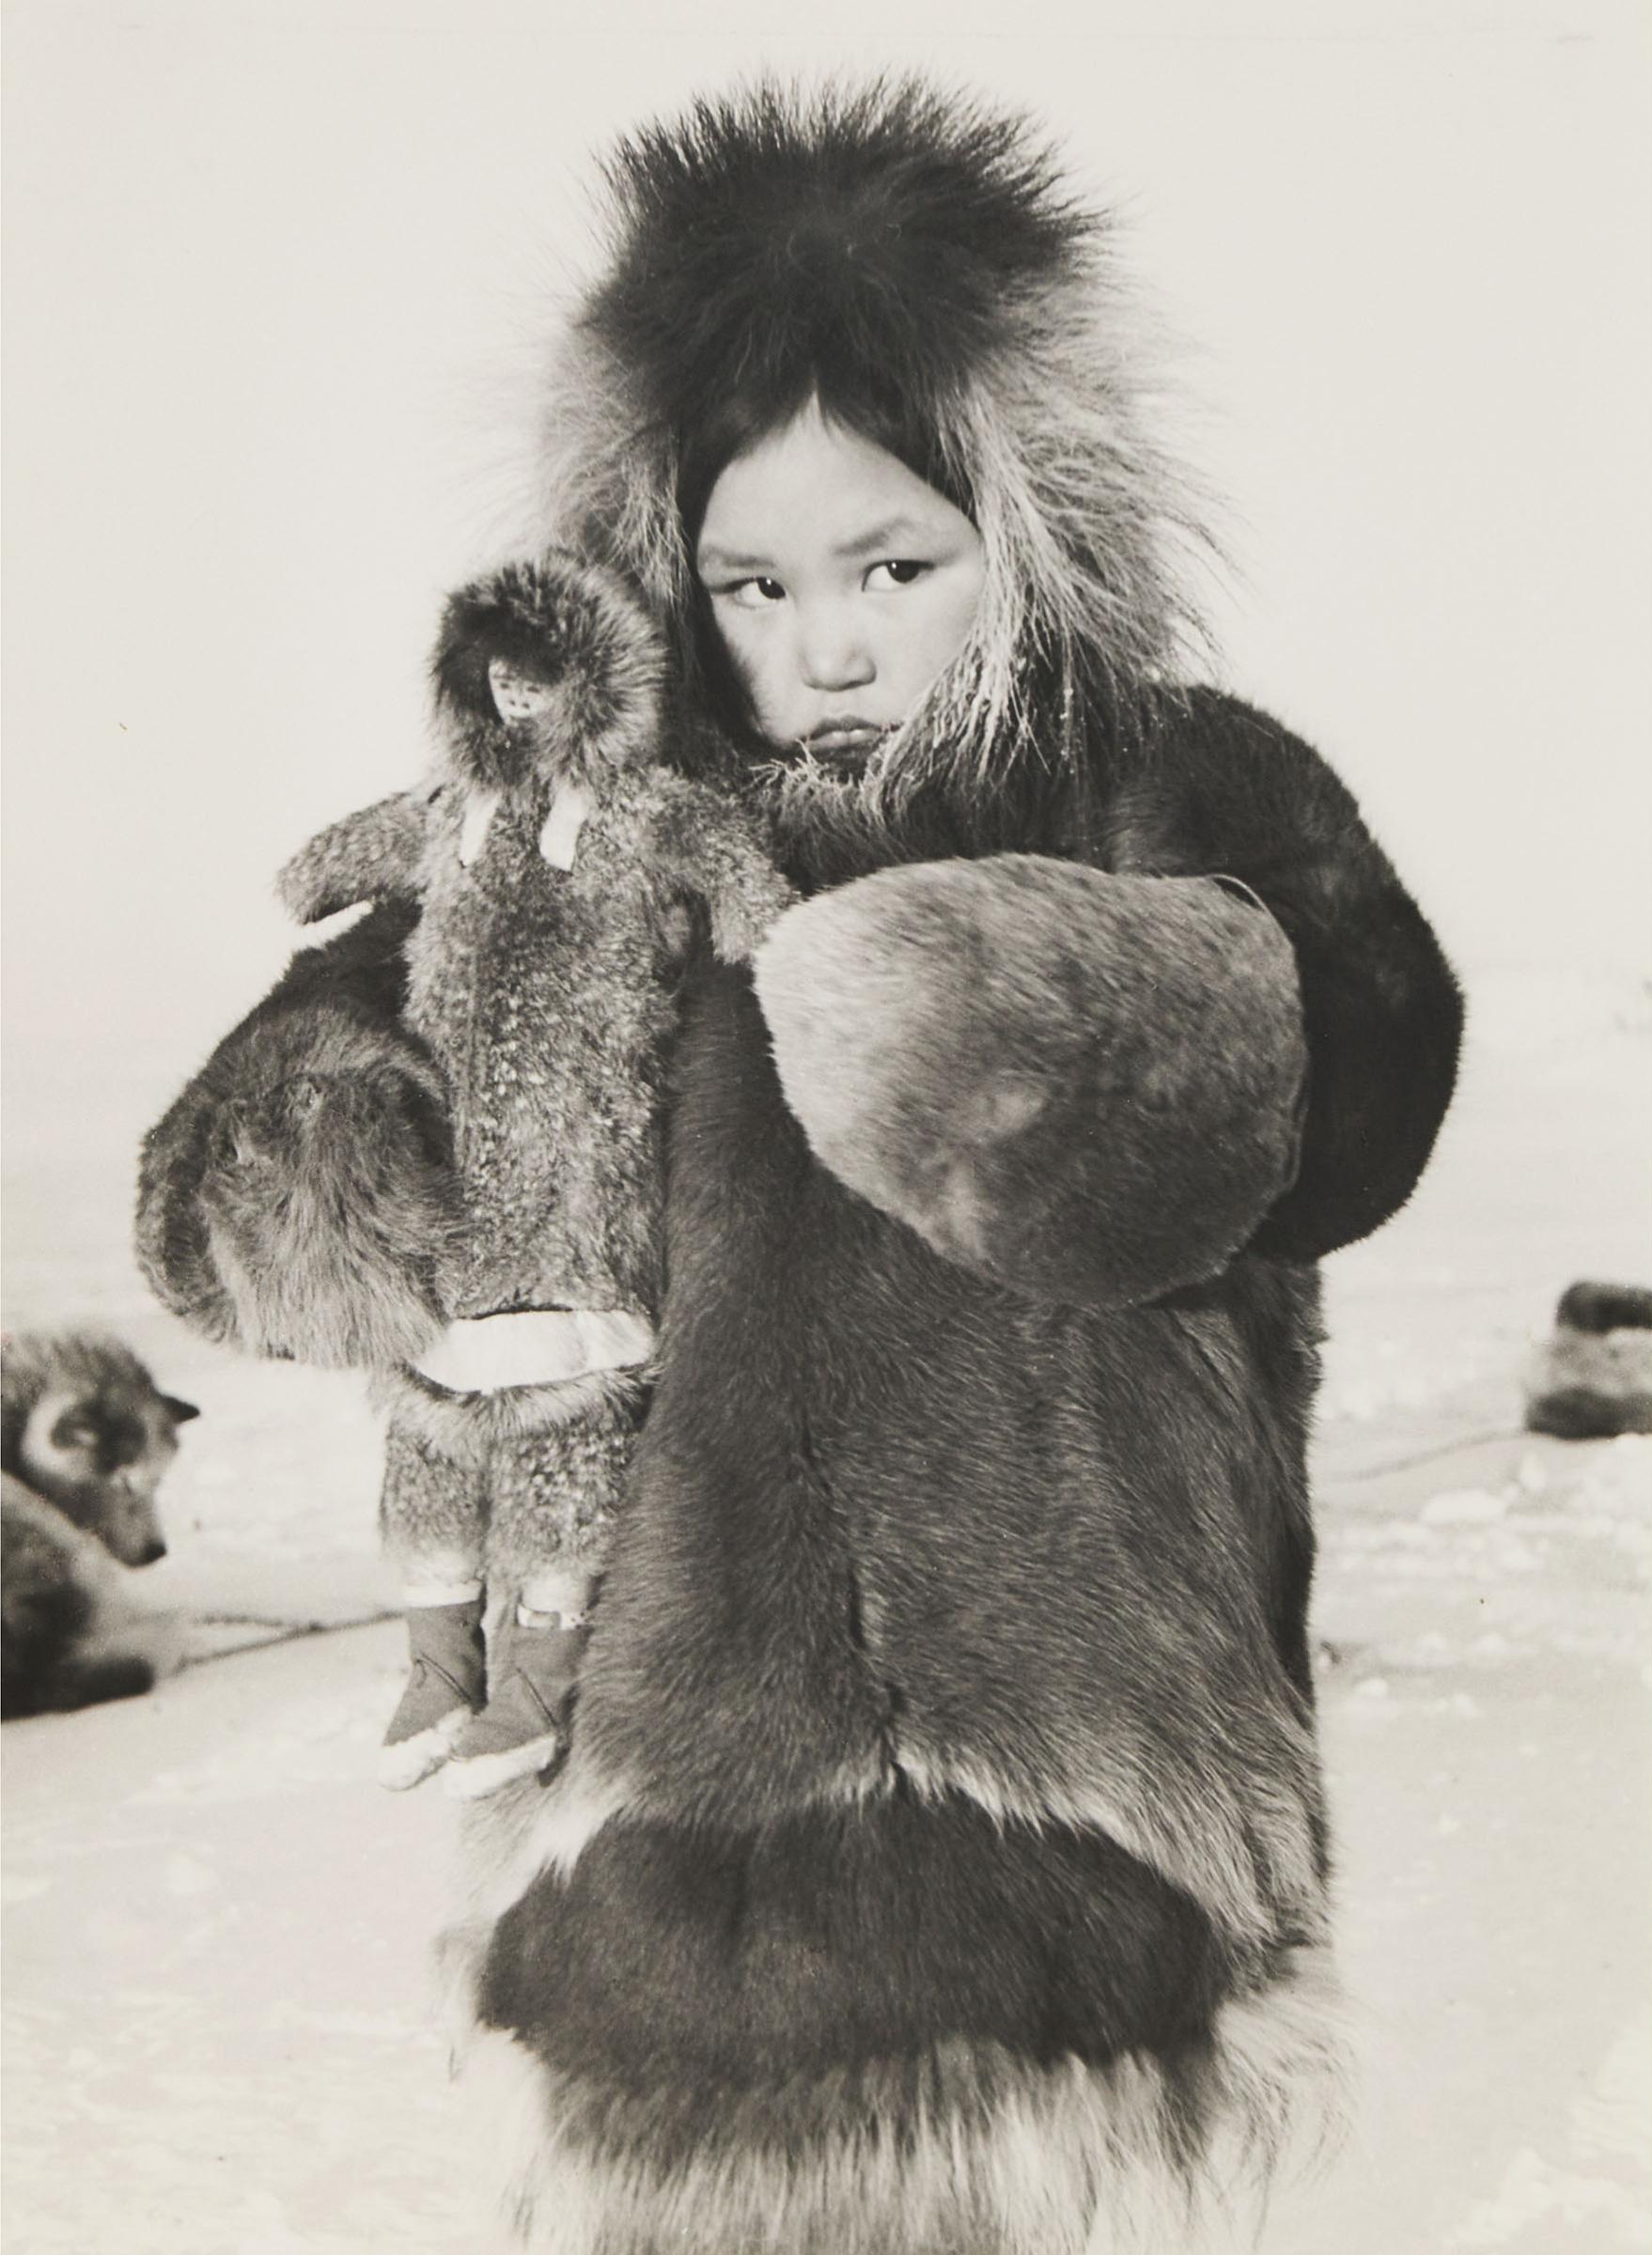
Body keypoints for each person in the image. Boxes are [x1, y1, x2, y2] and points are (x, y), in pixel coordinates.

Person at [135, 75, 1462, 2255]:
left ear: (1022, 533)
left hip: (1076, 1802)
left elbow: (1358, 1086)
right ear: (660, 571)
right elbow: (240, 1185)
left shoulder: (1165, 777)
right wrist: (335, 1147)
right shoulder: (588, 833)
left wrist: (1042, 1016)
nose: (823, 644)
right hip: (669, 1821)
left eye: (892, 566)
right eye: (749, 580)